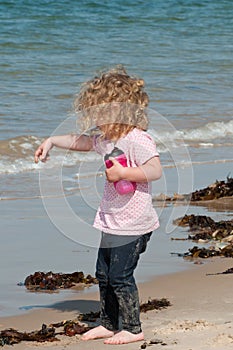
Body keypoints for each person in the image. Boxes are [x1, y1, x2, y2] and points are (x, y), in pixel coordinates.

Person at [34, 66, 162, 345]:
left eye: (99, 113)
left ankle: (132, 327)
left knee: (120, 275)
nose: (94, 120)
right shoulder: (106, 139)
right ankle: (108, 322)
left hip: (134, 222)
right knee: (103, 274)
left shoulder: (137, 139)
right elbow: (80, 142)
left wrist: (125, 174)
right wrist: (52, 141)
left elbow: (155, 170)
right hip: (112, 219)